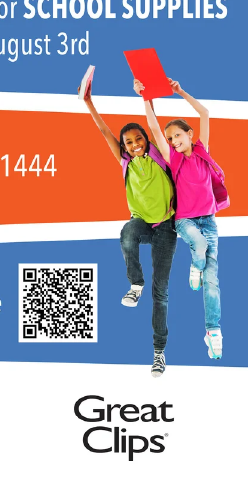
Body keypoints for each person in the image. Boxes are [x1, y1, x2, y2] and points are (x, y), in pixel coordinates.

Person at [81, 75, 178, 377]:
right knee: (127, 233)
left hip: (166, 227)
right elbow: (102, 130)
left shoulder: (161, 158)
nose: (134, 145)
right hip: (142, 224)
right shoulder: (125, 161)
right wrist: (88, 102)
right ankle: (135, 283)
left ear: (145, 141)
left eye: (138, 140)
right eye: (129, 142)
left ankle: (158, 352)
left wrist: (144, 97)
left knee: (160, 292)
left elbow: (152, 125)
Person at [142, 76, 227, 360]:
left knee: (212, 280)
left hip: (208, 221)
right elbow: (153, 128)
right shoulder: (173, 159)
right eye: (170, 139)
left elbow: (204, 113)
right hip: (185, 222)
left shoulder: (203, 152)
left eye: (178, 135)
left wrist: (180, 92)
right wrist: (145, 98)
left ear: (190, 134)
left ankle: (212, 330)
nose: (174, 141)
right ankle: (195, 263)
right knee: (200, 248)